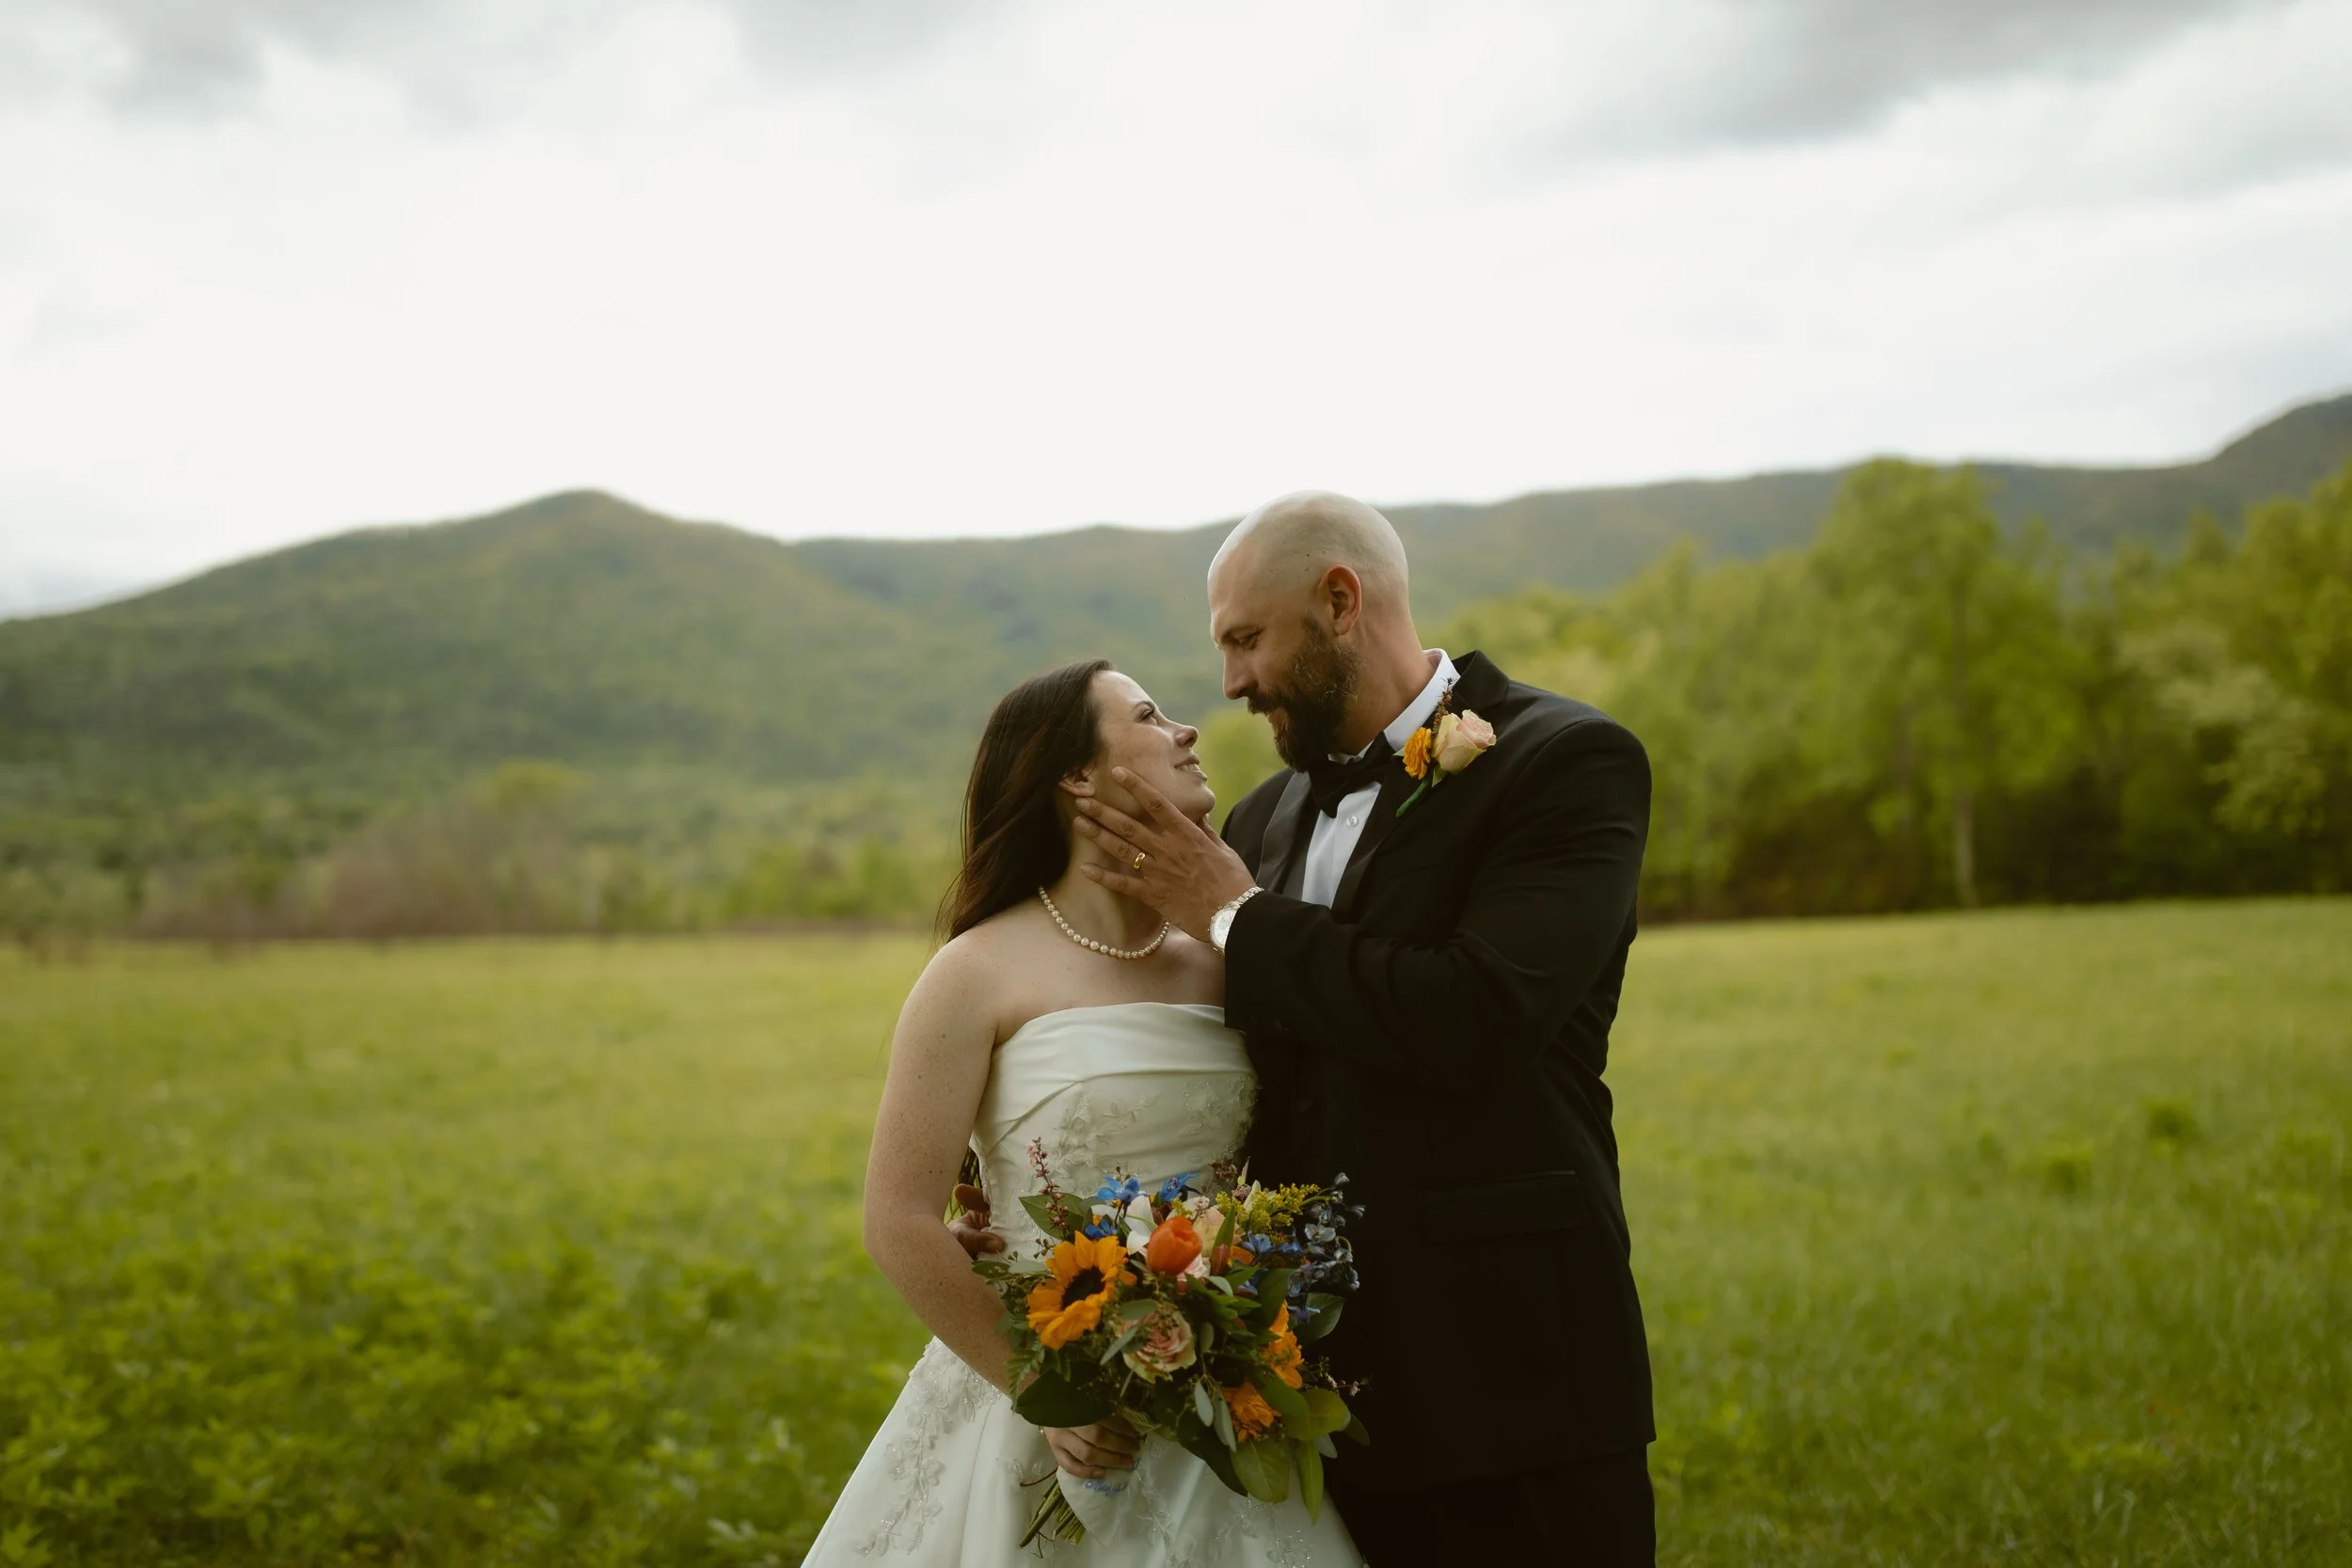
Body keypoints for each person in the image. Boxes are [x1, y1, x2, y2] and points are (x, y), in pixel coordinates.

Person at [956, 491, 1657, 1565]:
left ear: (1339, 601)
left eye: (1245, 639)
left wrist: (1235, 912)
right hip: (1296, 1397)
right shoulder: (1259, 819)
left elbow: (1477, 1015)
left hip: (1511, 1372)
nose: (1229, 682)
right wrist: (1009, 1221)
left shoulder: (1564, 761)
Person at [802, 658, 1363, 1566]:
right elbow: (897, 1217)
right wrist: (1043, 1393)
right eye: (1149, 714)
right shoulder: (974, 972)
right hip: (1043, 1383)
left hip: (1221, 1390)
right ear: (1073, 773)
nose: (1186, 729)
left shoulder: (1226, 961)